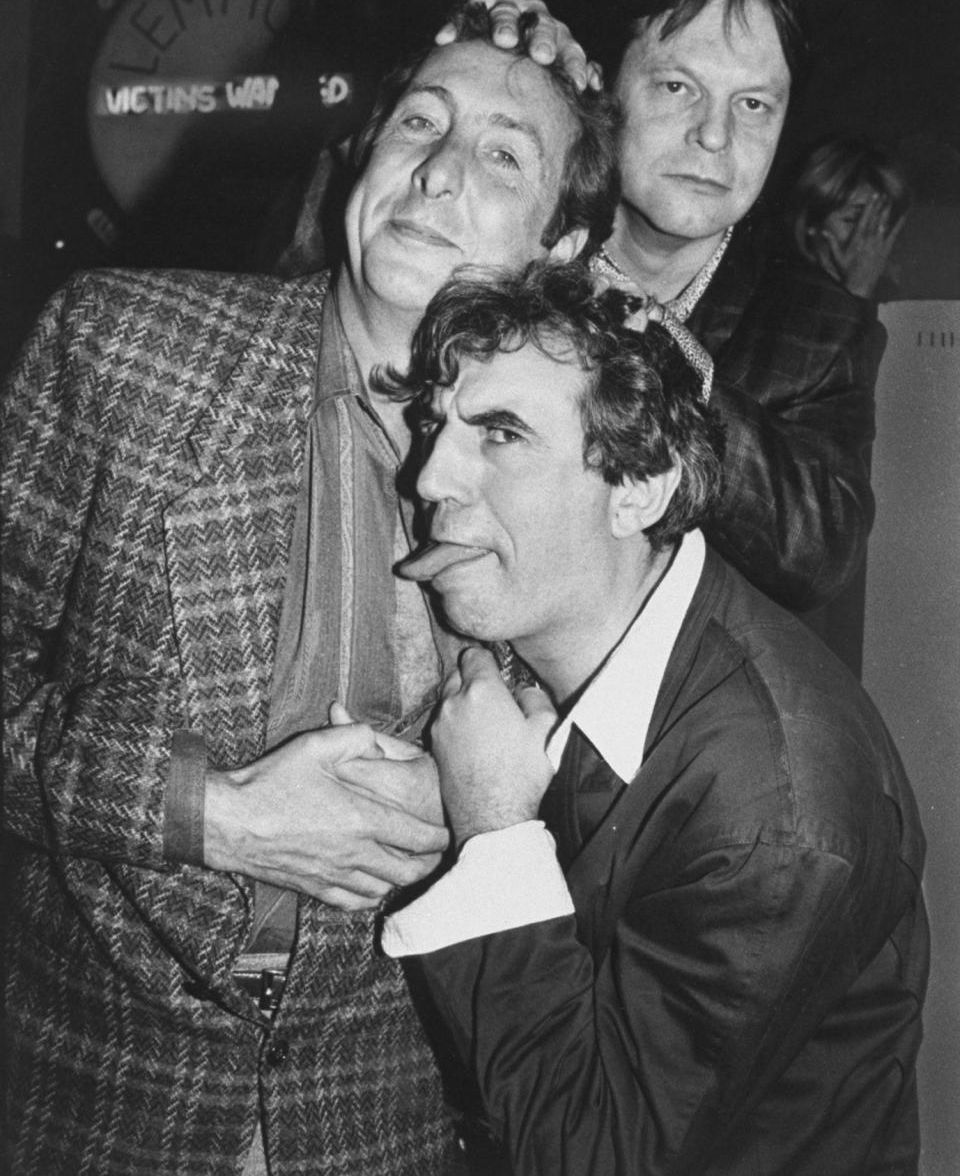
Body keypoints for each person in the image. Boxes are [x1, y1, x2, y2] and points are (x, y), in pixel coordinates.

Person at [0, 5, 618, 1175]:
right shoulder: (123, 349)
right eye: (419, 123)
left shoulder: (567, 474)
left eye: (502, 154)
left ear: (566, 249)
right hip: (91, 1093)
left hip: (383, 1115)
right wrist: (211, 808)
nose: (437, 170)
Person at [380, 260, 929, 1176]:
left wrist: (494, 831)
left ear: (640, 489)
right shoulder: (561, 638)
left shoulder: (775, 809)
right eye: (438, 424)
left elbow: (597, 1155)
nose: (430, 473)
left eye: (503, 433)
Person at [439, 0, 886, 612]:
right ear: (604, 80)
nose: (715, 135)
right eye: (678, 86)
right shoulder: (510, 237)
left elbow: (818, 552)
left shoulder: (818, 325)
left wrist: (669, 356)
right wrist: (479, 72)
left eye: (754, 104)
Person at [781, 132, 911, 299]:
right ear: (811, 224)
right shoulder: (784, 294)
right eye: (853, 220)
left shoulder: (890, 298)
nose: (872, 237)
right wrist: (858, 290)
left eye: (882, 221)